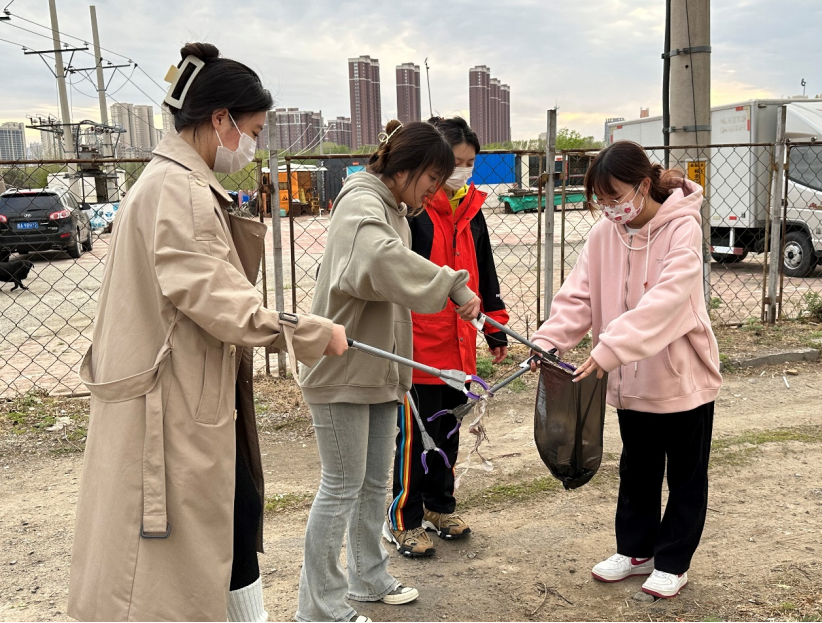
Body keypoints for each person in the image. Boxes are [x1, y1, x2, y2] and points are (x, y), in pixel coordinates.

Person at [67, 42, 348, 622]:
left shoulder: (164, 180)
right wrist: (307, 332)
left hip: (173, 394)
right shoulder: (183, 190)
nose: (254, 144)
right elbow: (217, 299)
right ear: (219, 119)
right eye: (254, 129)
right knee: (185, 557)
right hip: (170, 405)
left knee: (229, 528)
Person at [296, 120, 481, 623]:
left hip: (378, 367)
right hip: (341, 369)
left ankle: (369, 578)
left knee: (376, 482)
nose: (435, 189)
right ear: (407, 169)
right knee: (340, 485)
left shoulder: (392, 206)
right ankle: (319, 608)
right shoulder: (361, 202)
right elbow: (380, 259)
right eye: (432, 178)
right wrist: (452, 285)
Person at [531, 140, 722, 599]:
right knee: (637, 468)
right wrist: (548, 340)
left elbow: (670, 300)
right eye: (601, 200)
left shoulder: (681, 229)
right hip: (627, 378)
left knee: (685, 474)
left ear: (642, 185)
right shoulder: (603, 235)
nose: (609, 208)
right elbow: (578, 295)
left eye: (615, 197)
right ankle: (637, 551)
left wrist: (610, 346)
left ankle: (673, 561)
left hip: (681, 378)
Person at [384, 116, 509, 558]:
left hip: (460, 342)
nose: (461, 171)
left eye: (469, 163)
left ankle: (439, 506)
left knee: (449, 429)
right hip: (418, 345)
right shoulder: (413, 210)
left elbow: (485, 269)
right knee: (414, 436)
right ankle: (403, 518)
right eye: (453, 163)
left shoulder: (472, 209)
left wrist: (493, 323)